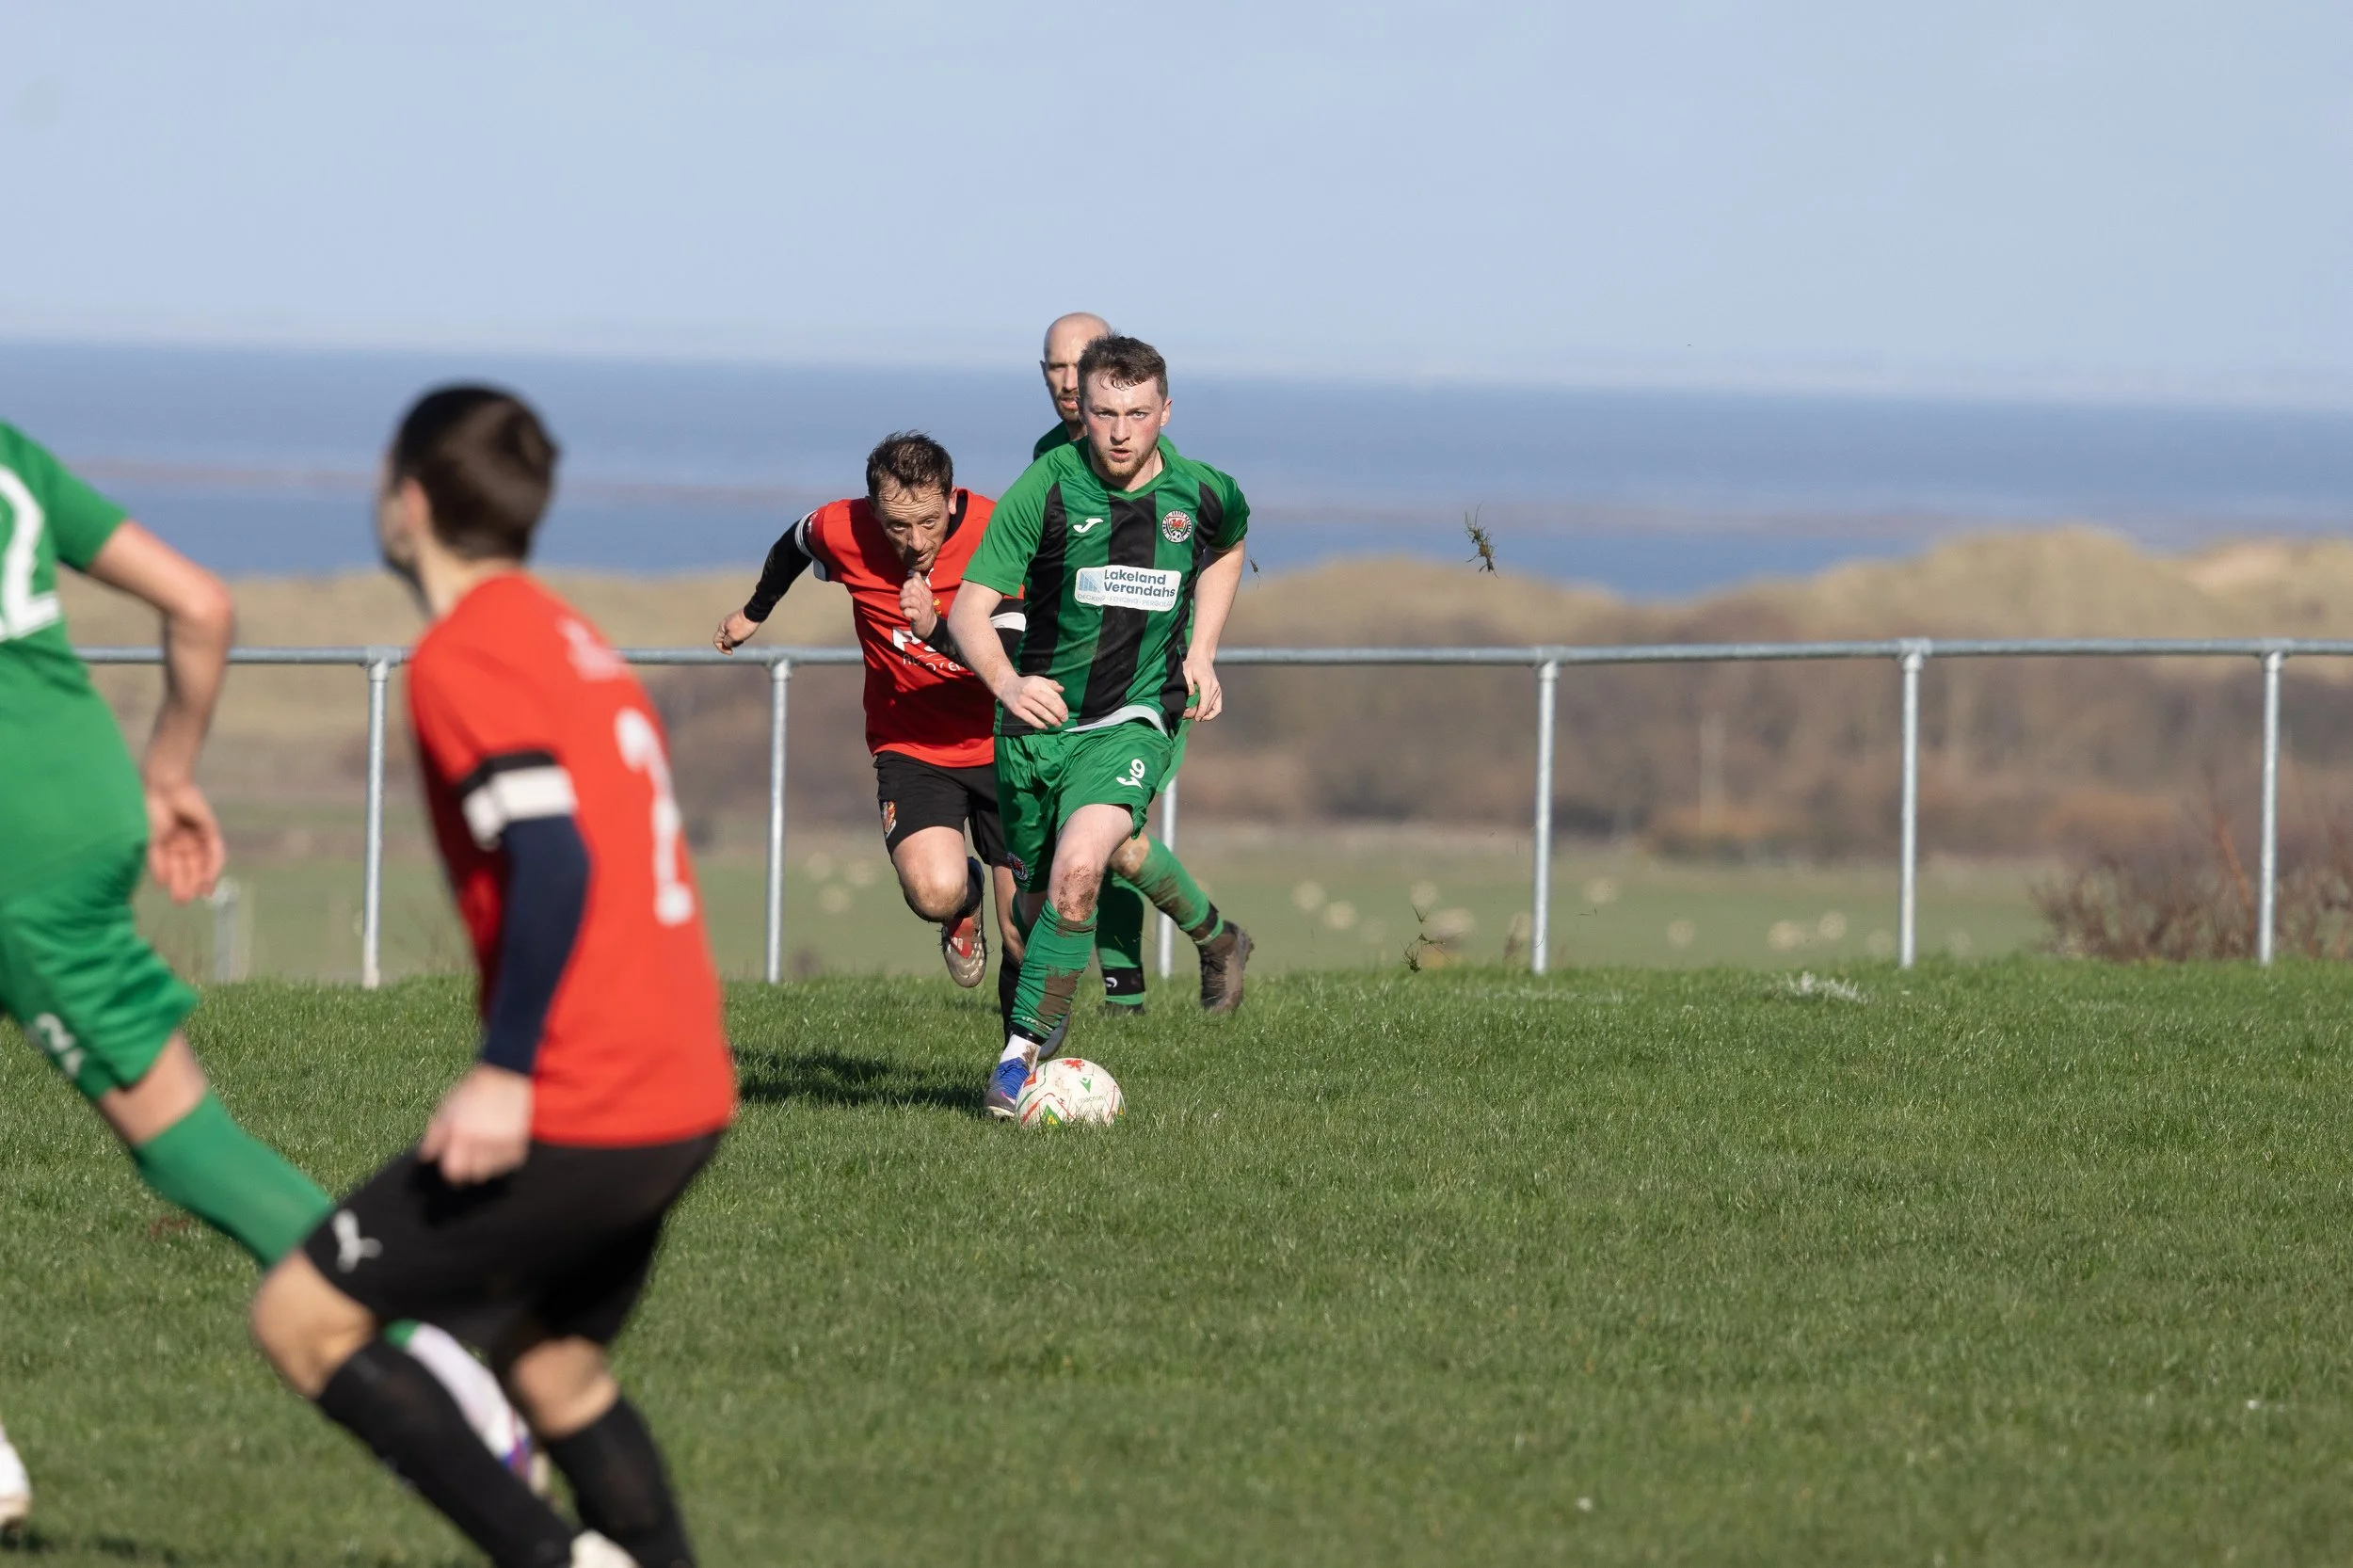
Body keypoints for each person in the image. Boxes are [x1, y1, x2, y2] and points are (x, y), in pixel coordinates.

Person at [0, 421, 534, 1538]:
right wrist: (169, 771)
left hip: (15, 846)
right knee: (185, 1133)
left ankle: (424, 1357)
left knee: (179, 1138)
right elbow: (201, 605)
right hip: (80, 800)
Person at [250, 387, 735, 1568]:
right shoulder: (569, 640)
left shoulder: (466, 655)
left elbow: (553, 856)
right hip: (684, 1091)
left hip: (588, 1092)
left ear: (409, 501)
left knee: (302, 1317)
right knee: (549, 1364)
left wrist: (507, 1069)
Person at [949, 336, 1254, 1118]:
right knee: (1032, 907)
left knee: (1083, 870)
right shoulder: (1046, 488)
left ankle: (1015, 1065)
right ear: (1079, 410)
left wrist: (1205, 653)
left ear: (1166, 411)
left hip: (1133, 719)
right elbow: (968, 610)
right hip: (1034, 732)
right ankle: (1067, 996)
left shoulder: (1202, 493)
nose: (1121, 432)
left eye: (1138, 414)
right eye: (1105, 413)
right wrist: (1010, 682)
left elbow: (1228, 543)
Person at [712, 433, 1026, 998]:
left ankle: (1017, 1073)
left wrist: (936, 629)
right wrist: (754, 612)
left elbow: (1013, 656)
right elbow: (795, 544)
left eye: (928, 522)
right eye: (896, 526)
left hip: (1007, 742)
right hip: (911, 745)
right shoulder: (844, 527)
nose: (913, 541)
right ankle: (961, 904)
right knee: (934, 892)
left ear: (953, 500)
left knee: (1025, 934)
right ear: (873, 511)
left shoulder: (998, 532)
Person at [1032, 312, 1223, 1017]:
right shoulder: (1050, 457)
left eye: (1077, 362)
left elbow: (1209, 549)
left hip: (1146, 686)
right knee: (1111, 843)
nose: (1064, 378)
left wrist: (1202, 653)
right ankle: (1215, 939)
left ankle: (1130, 993)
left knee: (1109, 835)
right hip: (1073, 691)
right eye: (1053, 366)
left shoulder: (1160, 468)